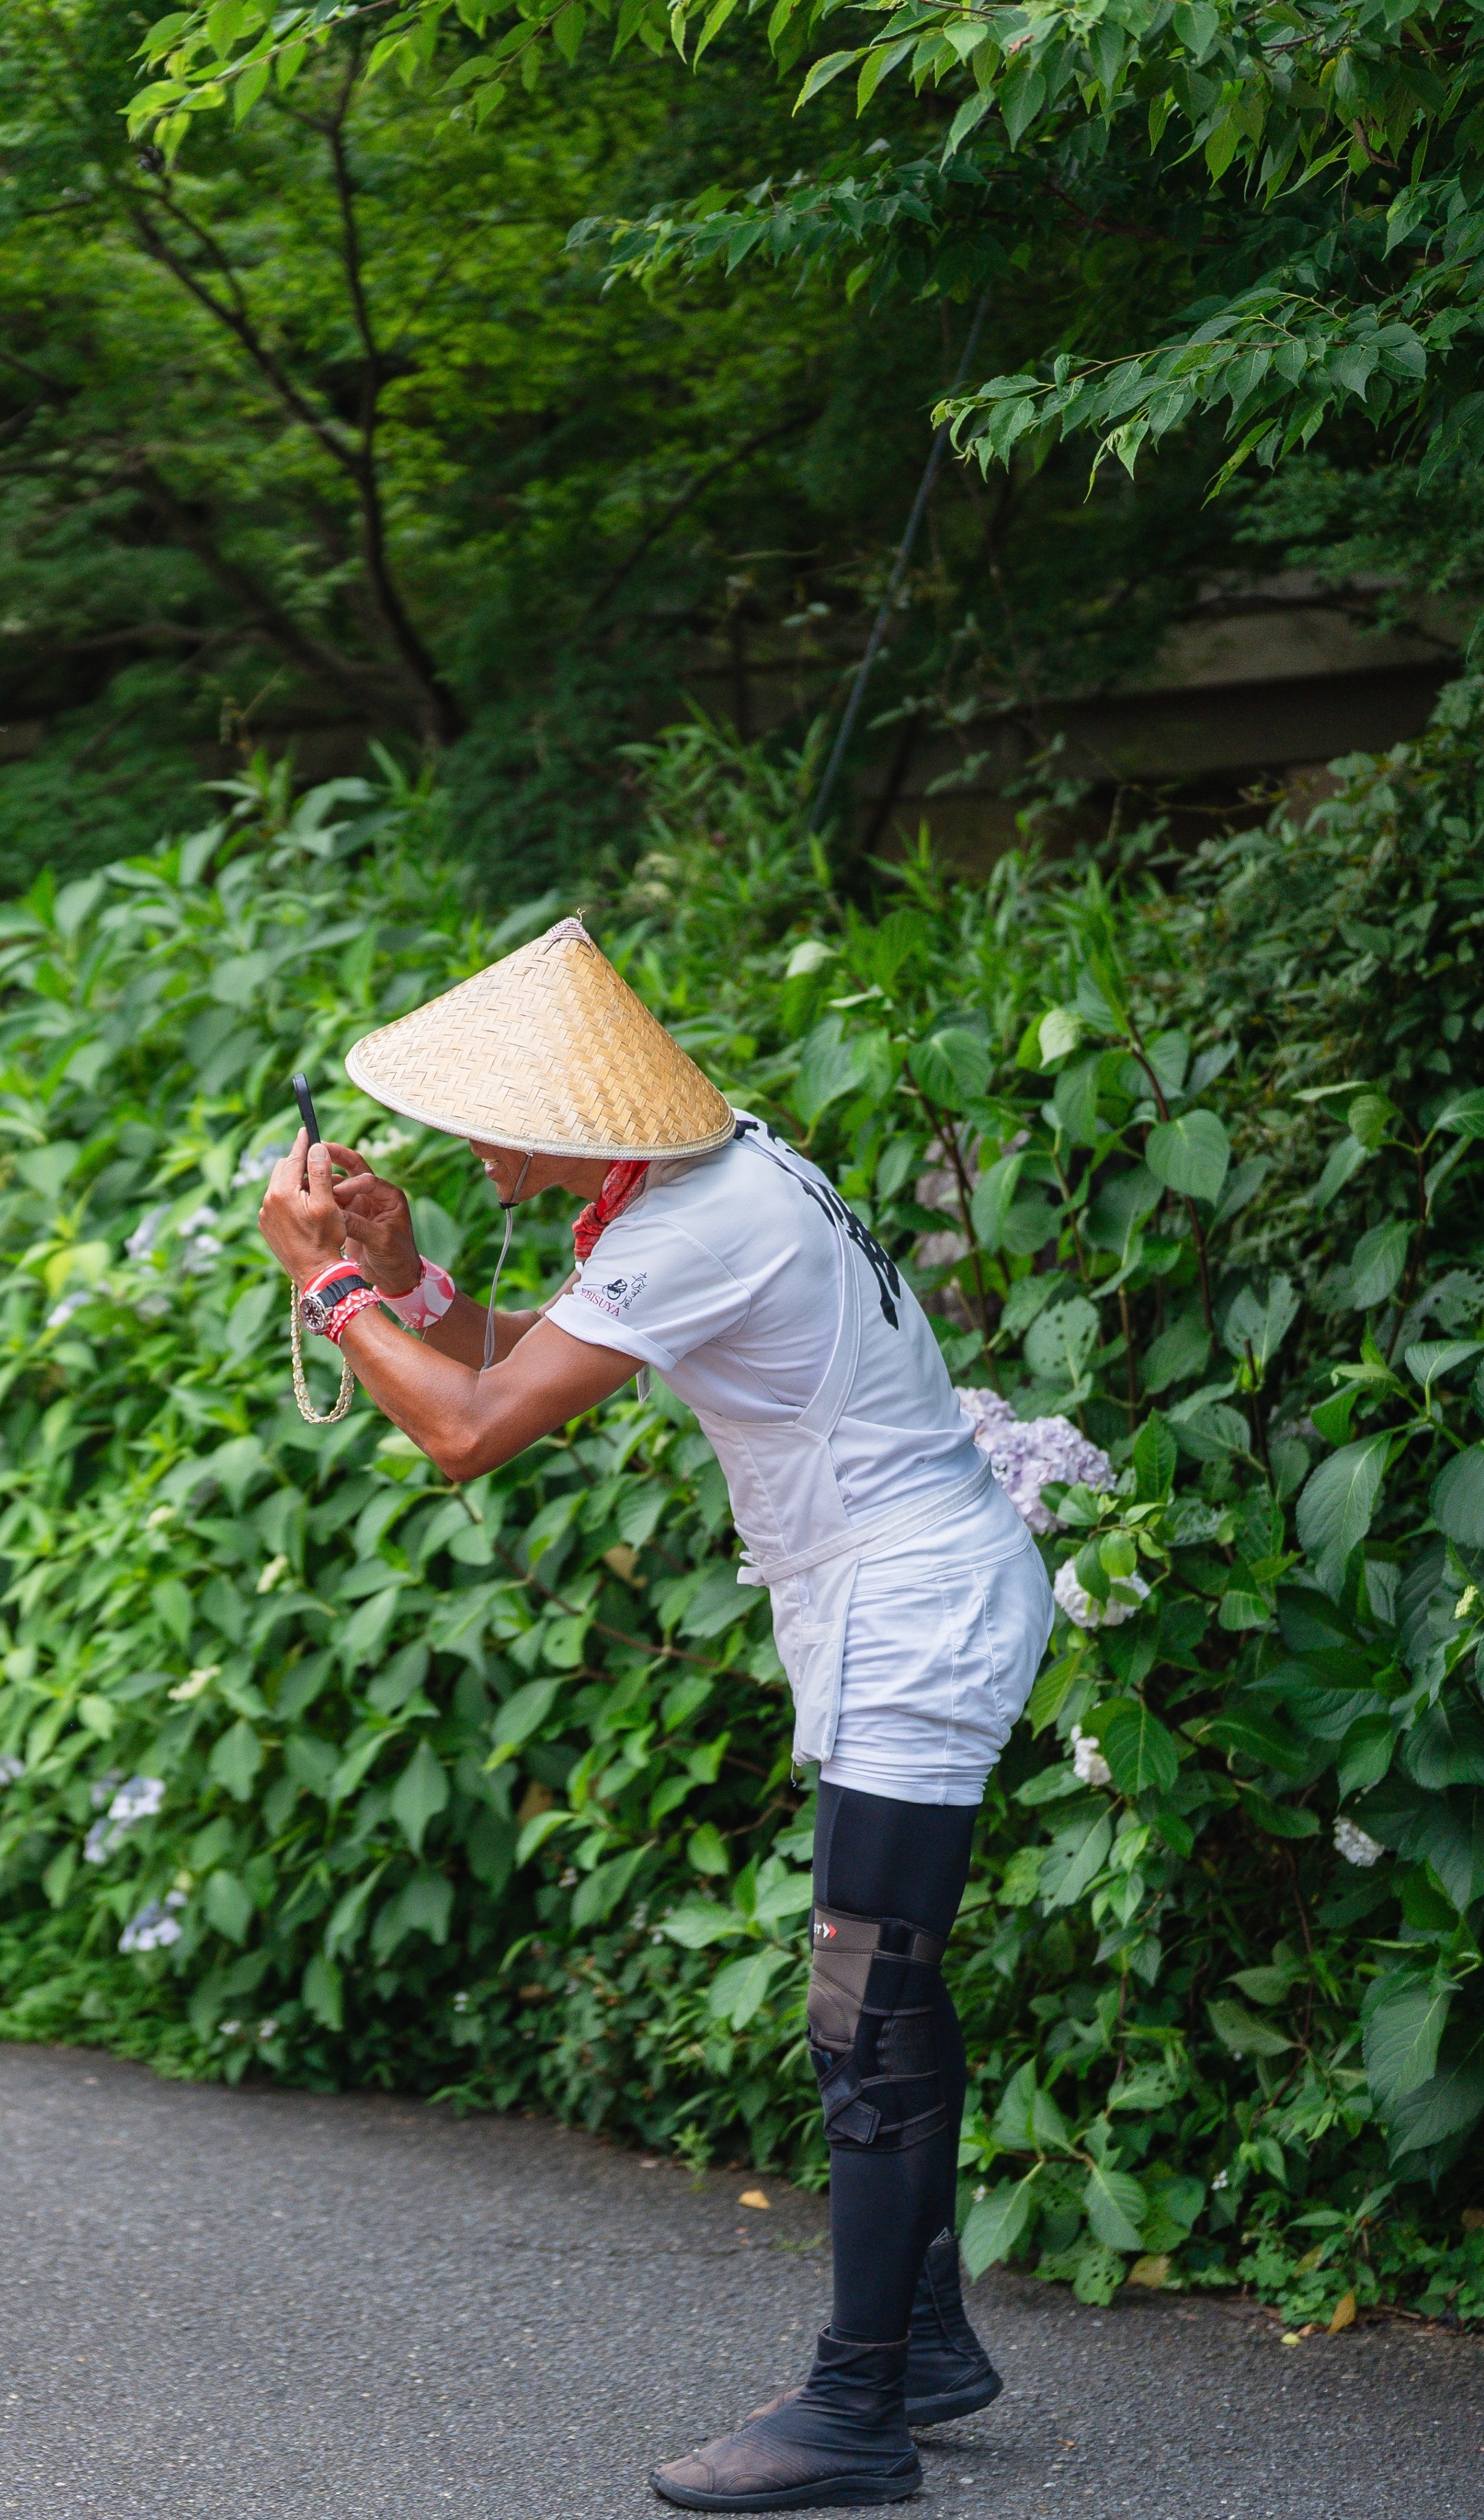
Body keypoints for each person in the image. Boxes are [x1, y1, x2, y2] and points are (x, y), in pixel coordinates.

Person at [258, 916, 1048, 2513]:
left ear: (575, 1115)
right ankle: (920, 2343)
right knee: (885, 1984)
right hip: (905, 1591)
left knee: (864, 2005)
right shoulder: (709, 1173)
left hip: (913, 1612)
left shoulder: (698, 1218)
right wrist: (402, 1278)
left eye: (488, 1122)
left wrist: (328, 1287)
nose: (467, 1151)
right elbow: (524, 1362)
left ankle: (858, 2408)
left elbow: (469, 1431)